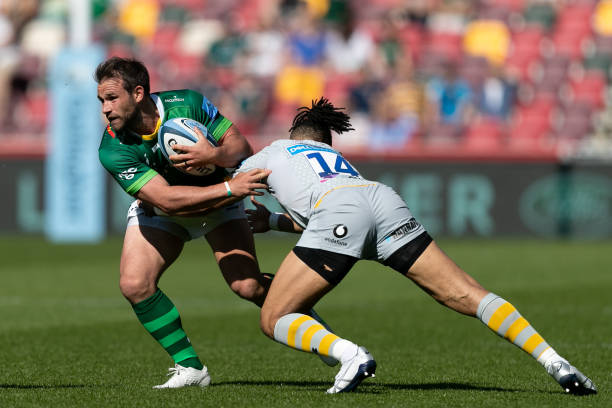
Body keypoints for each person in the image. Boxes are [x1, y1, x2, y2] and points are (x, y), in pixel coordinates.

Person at [232, 98, 597, 395]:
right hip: (381, 199)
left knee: (275, 317)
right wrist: (276, 222)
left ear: (293, 136)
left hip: (341, 211)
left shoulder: (278, 148)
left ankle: (349, 354)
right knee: (467, 293)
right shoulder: (337, 162)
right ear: (326, 143)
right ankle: (553, 360)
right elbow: (337, 221)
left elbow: (229, 176)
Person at [95, 57, 335, 390]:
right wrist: (229, 186)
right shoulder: (112, 148)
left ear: (138, 93)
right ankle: (191, 368)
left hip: (219, 206)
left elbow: (240, 147)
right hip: (166, 212)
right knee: (135, 284)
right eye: (101, 101)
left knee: (247, 286)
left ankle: (305, 316)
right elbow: (164, 199)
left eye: (111, 98)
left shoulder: (187, 103)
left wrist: (213, 157)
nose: (105, 109)